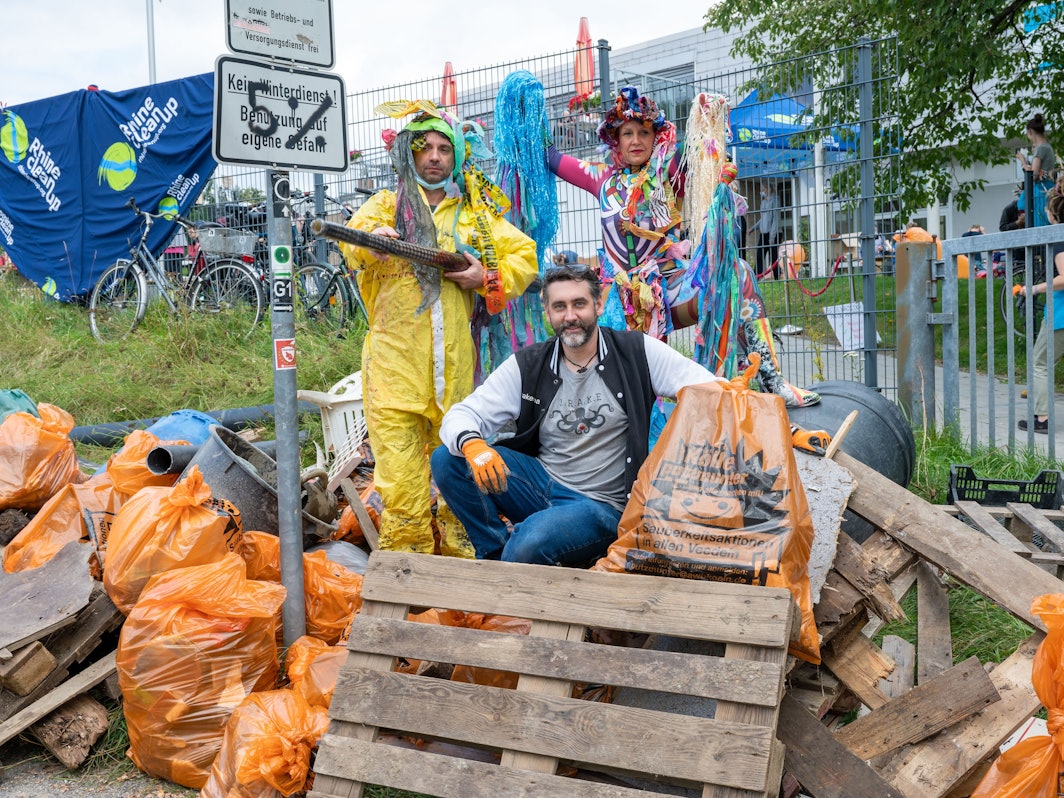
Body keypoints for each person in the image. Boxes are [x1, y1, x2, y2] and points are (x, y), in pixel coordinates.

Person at [340, 101, 539, 554]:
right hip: (393, 377)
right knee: (404, 499)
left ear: (456, 158)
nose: (434, 156)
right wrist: (376, 245)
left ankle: (461, 596)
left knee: (459, 495)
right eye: (424, 147)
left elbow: (524, 257)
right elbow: (353, 245)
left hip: (454, 382)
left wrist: (484, 278)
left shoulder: (472, 217)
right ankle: (407, 595)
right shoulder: (384, 207)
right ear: (408, 155)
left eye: (444, 149)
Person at [539, 85, 818, 407]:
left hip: (667, 290)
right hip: (617, 301)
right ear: (616, 140)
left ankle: (768, 378)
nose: (635, 140)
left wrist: (704, 113)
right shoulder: (600, 178)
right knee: (625, 392)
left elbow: (694, 148)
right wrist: (527, 108)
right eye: (627, 133)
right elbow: (551, 157)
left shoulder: (669, 174)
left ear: (655, 137)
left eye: (644, 132)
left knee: (737, 272)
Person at [429, 263, 725, 565]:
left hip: (602, 506)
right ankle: (495, 559)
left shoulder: (636, 352)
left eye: (579, 304)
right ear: (547, 311)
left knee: (529, 543)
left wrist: (751, 405)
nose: (570, 316)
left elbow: (709, 387)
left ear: (598, 304)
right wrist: (473, 445)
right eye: (559, 306)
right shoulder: (530, 364)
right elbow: (462, 415)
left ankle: (525, 557)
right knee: (448, 459)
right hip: (541, 485)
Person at [1015, 189, 1064, 433]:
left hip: (1060, 314)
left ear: (1053, 213)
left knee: (1041, 362)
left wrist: (1034, 288)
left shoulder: (1059, 239)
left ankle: (1041, 419)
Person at [1016, 113, 1057, 228]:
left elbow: (1033, 174)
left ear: (1030, 132)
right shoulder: (1048, 147)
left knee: (1039, 221)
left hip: (1040, 190)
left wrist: (1023, 162)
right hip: (1048, 187)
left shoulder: (1040, 149)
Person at [756, 181, 781, 279]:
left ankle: (777, 278)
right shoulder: (763, 202)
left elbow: (776, 220)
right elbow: (763, 218)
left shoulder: (775, 201)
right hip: (763, 233)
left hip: (773, 233)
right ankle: (756, 277)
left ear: (769, 189)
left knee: (773, 257)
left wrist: (772, 236)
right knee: (759, 255)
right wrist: (753, 228)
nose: (762, 192)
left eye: (763, 189)